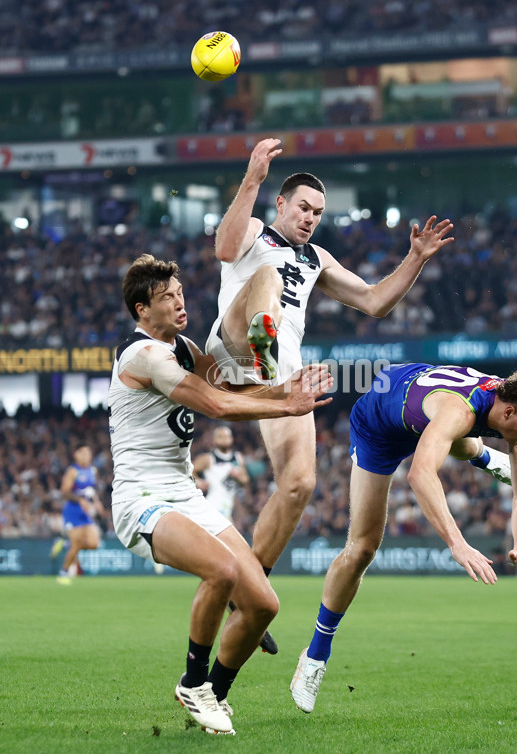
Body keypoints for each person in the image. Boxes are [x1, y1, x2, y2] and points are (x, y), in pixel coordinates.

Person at [205, 137, 457, 608]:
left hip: (280, 375)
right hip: (233, 349)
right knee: (269, 277)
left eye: (317, 213)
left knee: (300, 484)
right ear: (281, 203)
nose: (309, 218)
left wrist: (416, 258)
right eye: (303, 207)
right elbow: (222, 248)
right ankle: (264, 340)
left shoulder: (318, 258)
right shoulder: (256, 230)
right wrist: (253, 177)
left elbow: (375, 301)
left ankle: (250, 585)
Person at [108, 253, 332, 736]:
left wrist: (280, 389)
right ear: (142, 311)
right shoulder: (143, 356)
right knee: (224, 570)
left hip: (185, 494)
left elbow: (230, 387)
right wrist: (283, 407)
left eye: (180, 293)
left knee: (263, 605)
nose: (179, 302)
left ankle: (215, 690)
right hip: (141, 498)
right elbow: (215, 406)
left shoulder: (185, 347)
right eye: (166, 298)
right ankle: (193, 683)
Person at [289, 362, 517, 713]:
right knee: (362, 548)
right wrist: (457, 543)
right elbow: (421, 475)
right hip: (380, 422)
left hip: (423, 402)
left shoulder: (507, 405)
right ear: (510, 410)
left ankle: (480, 454)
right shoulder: (459, 412)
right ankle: (315, 656)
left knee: (462, 442)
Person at [193, 425, 279, 654]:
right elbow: (188, 473)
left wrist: (240, 477)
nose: (224, 438)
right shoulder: (206, 459)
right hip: (209, 515)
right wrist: (199, 483)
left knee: (230, 564)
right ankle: (244, 612)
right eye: (220, 435)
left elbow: (244, 483)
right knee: (233, 562)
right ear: (214, 438)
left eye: (227, 435)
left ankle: (237, 606)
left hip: (227, 516)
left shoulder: (237, 458)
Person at [54, 445, 104, 585]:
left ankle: (65, 543)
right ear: (76, 454)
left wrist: (97, 501)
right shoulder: (72, 471)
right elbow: (64, 492)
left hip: (85, 511)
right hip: (72, 511)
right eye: (83, 452)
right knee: (77, 544)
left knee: (94, 543)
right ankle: (63, 574)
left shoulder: (92, 470)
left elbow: (91, 490)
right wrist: (79, 499)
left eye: (88, 452)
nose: (87, 455)